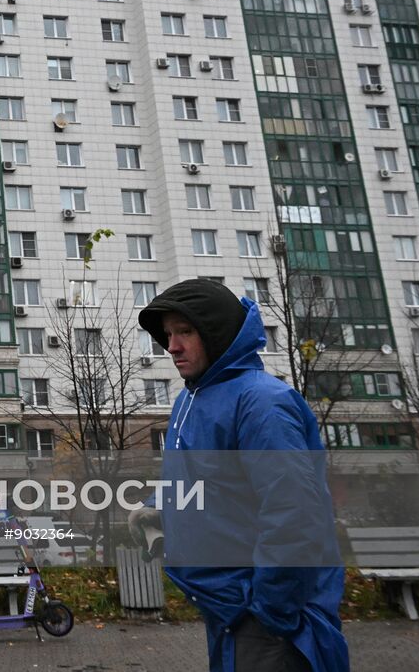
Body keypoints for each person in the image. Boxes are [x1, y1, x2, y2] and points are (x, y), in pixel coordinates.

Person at [134, 279, 348, 672]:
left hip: (268, 621)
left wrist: (269, 610)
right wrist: (155, 508)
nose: (172, 346)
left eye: (185, 331)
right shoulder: (190, 398)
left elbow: (295, 515)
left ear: (215, 333)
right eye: (167, 334)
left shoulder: (261, 402)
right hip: (227, 608)